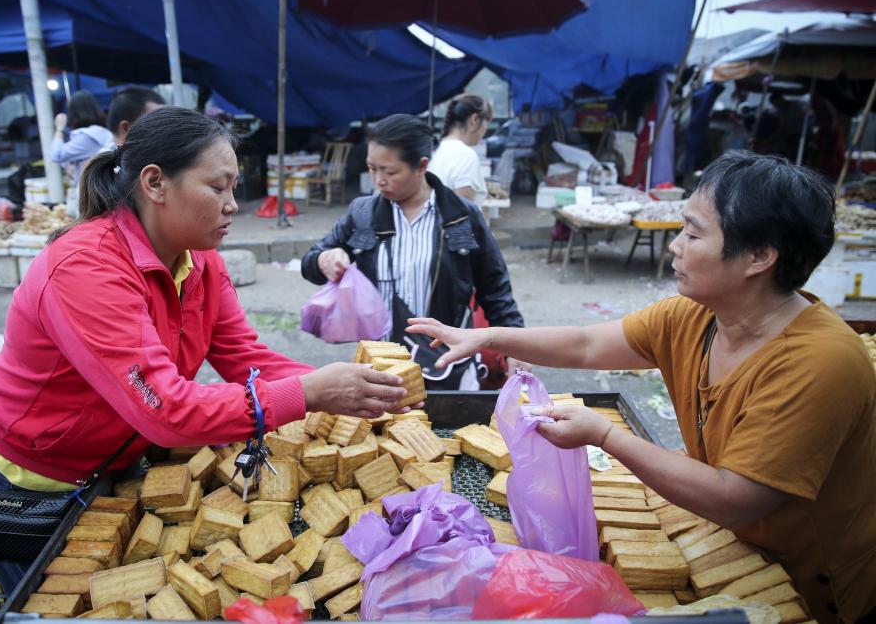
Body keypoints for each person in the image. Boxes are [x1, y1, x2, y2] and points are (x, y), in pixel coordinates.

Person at [408, 150, 876, 623]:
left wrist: (606, 435)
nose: (675, 246)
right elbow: (589, 344)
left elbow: (735, 499)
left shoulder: (818, 362)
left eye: (693, 233)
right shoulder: (698, 316)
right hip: (733, 556)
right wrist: (487, 336)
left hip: (814, 588)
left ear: (760, 256)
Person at [0, 107, 407, 585]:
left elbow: (245, 358)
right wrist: (310, 393)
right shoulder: (85, 268)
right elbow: (165, 409)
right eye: (217, 187)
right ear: (155, 184)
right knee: (49, 599)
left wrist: (354, 387)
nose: (233, 204)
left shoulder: (199, 260)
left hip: (120, 455)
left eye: (234, 187)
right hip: (34, 477)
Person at [302, 114, 527, 390]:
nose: (379, 180)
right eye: (372, 169)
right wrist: (324, 259)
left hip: (449, 364)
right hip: (381, 366)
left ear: (421, 166)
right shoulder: (362, 214)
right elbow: (311, 262)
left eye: (390, 171)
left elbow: (495, 290)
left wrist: (517, 348)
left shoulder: (461, 217)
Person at [428, 94, 492, 207]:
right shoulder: (466, 156)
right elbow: (461, 216)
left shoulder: (435, 150)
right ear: (475, 120)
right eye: (488, 122)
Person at [50, 90, 113, 185]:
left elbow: (57, 155)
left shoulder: (87, 137)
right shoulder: (102, 132)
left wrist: (59, 128)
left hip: (93, 191)